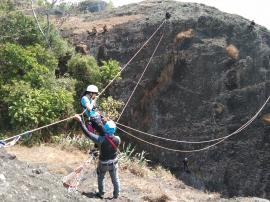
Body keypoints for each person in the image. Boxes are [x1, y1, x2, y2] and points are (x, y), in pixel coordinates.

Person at [74, 114, 121, 199]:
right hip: (114, 163)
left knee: (101, 178)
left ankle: (101, 193)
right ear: (114, 130)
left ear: (105, 129)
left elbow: (88, 133)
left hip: (103, 163)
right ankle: (116, 194)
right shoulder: (118, 139)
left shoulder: (100, 140)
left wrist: (80, 121)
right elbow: (110, 136)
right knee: (115, 179)